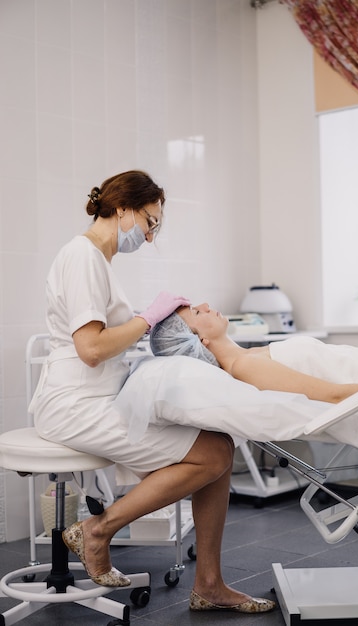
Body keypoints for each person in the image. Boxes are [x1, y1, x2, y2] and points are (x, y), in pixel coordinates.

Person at [30, 171, 275, 614]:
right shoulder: (83, 256)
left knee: (217, 439)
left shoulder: (99, 262)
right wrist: (147, 318)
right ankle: (98, 530)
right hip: (75, 405)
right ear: (122, 207)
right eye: (150, 221)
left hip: (101, 397)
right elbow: (90, 349)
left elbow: (107, 340)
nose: (149, 234)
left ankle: (209, 583)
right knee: (215, 454)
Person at [150, 303, 358, 410]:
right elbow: (336, 395)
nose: (206, 306)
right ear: (198, 340)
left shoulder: (250, 356)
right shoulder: (244, 366)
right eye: (198, 313)